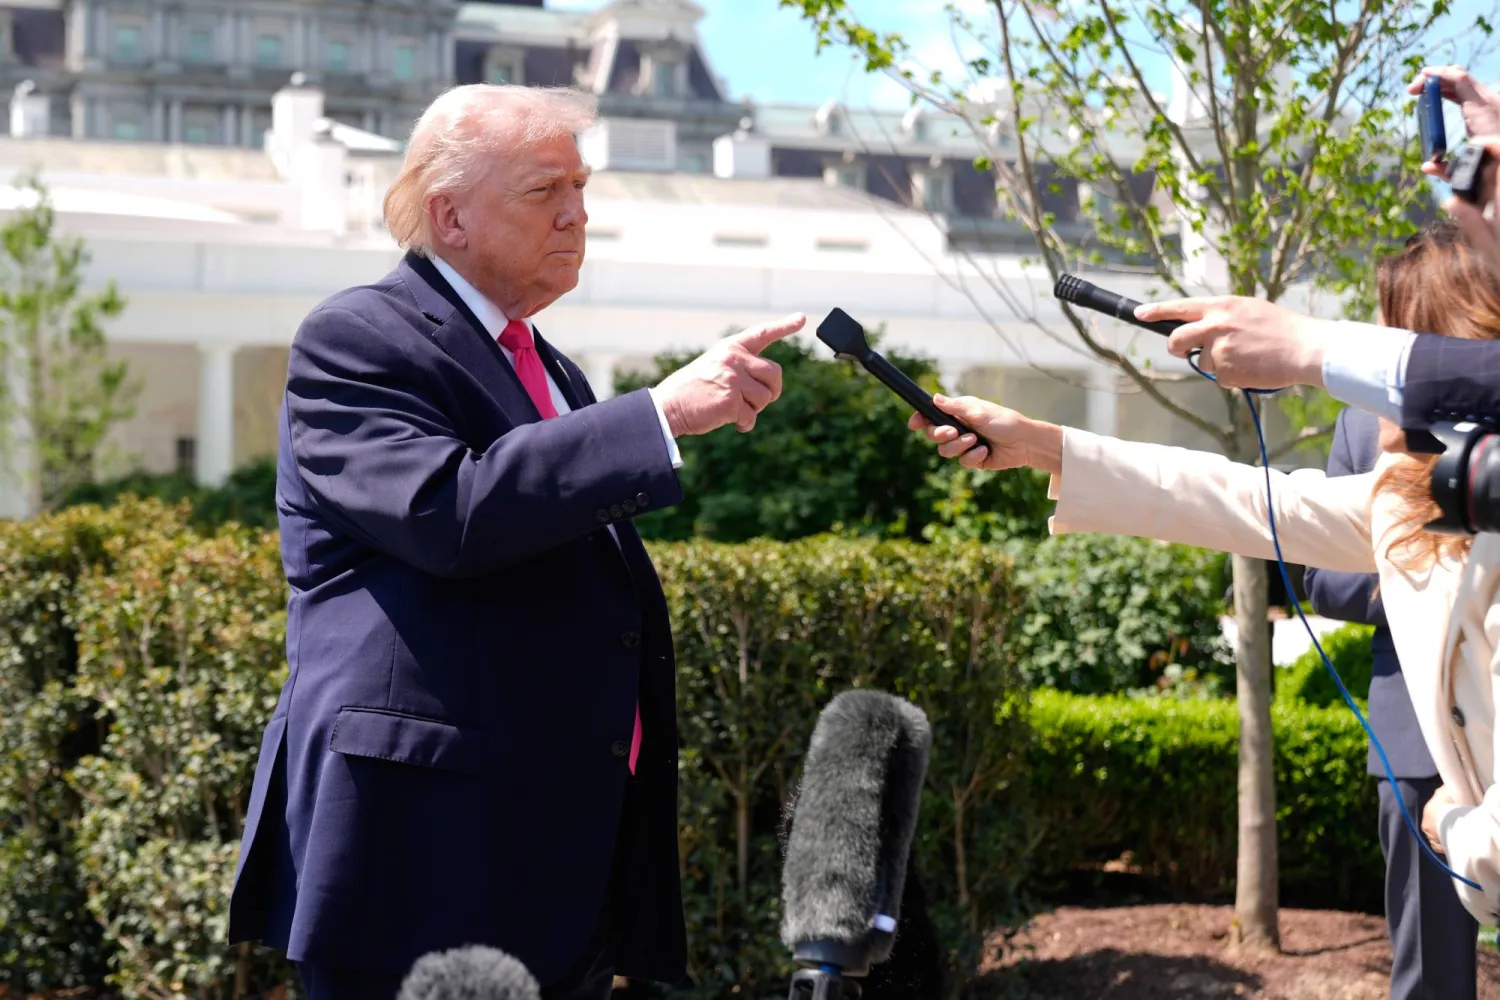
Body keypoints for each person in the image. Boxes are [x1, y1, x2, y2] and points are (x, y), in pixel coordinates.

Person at [225, 83, 806, 1000]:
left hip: (549, 859)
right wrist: (655, 414)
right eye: (545, 190)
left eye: (581, 187)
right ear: (449, 216)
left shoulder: (548, 364)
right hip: (417, 858)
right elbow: (447, 512)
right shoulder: (357, 335)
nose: (577, 214)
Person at [909, 221, 1500, 926]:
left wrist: (1453, 825)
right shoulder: (1416, 500)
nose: (1361, 389)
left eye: (1384, 351)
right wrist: (1039, 444)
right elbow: (1245, 501)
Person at [1303, 405, 1478, 999]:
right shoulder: (1358, 420)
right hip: (1413, 734)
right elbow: (1325, 580)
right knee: (1429, 975)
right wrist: (1423, 572)